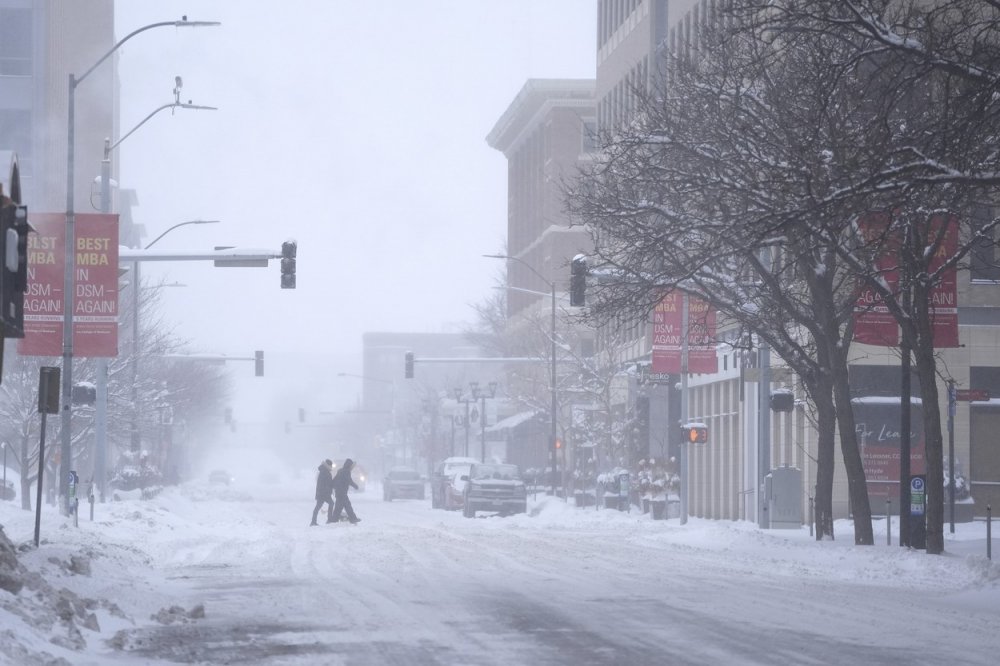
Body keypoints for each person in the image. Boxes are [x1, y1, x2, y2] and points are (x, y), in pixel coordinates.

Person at [330, 458, 361, 524]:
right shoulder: (347, 471)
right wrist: (355, 486)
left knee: (339, 507)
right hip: (342, 492)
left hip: (338, 492)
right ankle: (353, 518)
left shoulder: (340, 470)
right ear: (349, 465)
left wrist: (331, 486)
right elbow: (349, 480)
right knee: (347, 505)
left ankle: (334, 520)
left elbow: (335, 479)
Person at [310, 459, 335, 526]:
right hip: (324, 493)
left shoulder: (323, 471)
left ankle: (313, 521)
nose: (331, 467)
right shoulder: (324, 472)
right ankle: (329, 519)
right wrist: (329, 489)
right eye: (331, 465)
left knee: (318, 507)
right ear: (328, 465)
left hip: (322, 493)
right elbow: (326, 483)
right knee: (330, 504)